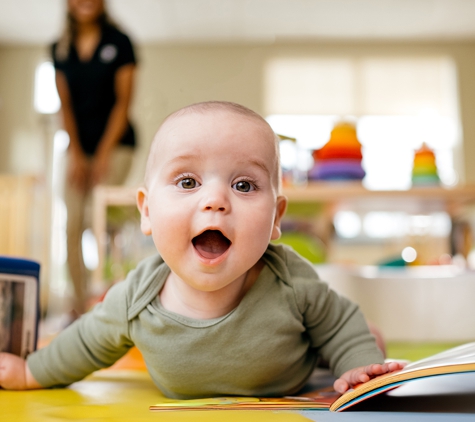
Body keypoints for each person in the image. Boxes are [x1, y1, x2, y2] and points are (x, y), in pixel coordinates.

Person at [0, 101, 404, 397]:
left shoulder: (290, 280)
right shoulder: (135, 298)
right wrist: (29, 372)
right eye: (188, 182)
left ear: (276, 217)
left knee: (348, 339)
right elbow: (84, 342)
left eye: (244, 185)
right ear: (146, 211)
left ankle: (346, 354)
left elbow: (338, 320)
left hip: (294, 369)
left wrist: (357, 367)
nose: (215, 200)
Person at [53, 0, 138, 315]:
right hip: (77, 147)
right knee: (72, 224)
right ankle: (79, 309)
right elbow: (66, 107)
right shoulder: (60, 49)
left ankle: (108, 299)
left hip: (116, 145)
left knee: (96, 218)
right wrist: (76, 154)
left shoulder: (119, 42)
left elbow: (123, 103)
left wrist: (101, 156)